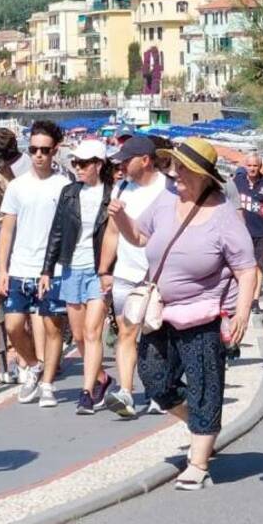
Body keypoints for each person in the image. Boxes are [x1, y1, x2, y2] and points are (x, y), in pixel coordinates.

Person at [108, 138, 256, 490]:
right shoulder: (166, 200)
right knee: (156, 380)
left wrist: (242, 315)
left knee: (205, 384)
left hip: (203, 316)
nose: (176, 176)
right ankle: (199, 424)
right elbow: (140, 238)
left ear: (204, 176)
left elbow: (247, 268)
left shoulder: (223, 217)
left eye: (183, 170)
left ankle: (199, 461)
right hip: (161, 312)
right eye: (174, 168)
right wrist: (121, 219)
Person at [0, 120, 71, 407]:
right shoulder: (16, 187)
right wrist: (2, 270)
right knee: (14, 325)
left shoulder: (64, 186)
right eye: (34, 149)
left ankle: (48, 384)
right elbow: (7, 229)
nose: (39, 155)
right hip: (19, 267)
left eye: (45, 150)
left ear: (55, 151)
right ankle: (32, 365)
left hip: (52, 270)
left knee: (52, 328)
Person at [42, 139, 115, 414]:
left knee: (93, 331)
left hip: (99, 270)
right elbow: (57, 232)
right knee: (81, 337)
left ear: (98, 164)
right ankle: (101, 379)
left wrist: (112, 270)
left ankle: (87, 393)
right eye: (75, 163)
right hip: (72, 267)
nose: (78, 168)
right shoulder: (69, 193)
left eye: (83, 163)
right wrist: (47, 270)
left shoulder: (113, 194)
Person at [98, 136, 168, 418]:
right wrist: (105, 269)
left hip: (156, 276)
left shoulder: (169, 189)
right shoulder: (122, 187)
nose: (122, 165)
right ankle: (126, 393)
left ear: (145, 160)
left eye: (127, 160)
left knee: (156, 334)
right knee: (126, 332)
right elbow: (113, 232)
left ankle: (158, 391)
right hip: (125, 273)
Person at [233, 152, 263, 314]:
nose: (252, 168)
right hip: (241, 232)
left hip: (262, 232)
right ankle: (241, 298)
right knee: (241, 266)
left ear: (260, 166)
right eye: (250, 165)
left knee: (258, 267)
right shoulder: (237, 181)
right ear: (245, 166)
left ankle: (255, 300)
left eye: (255, 165)